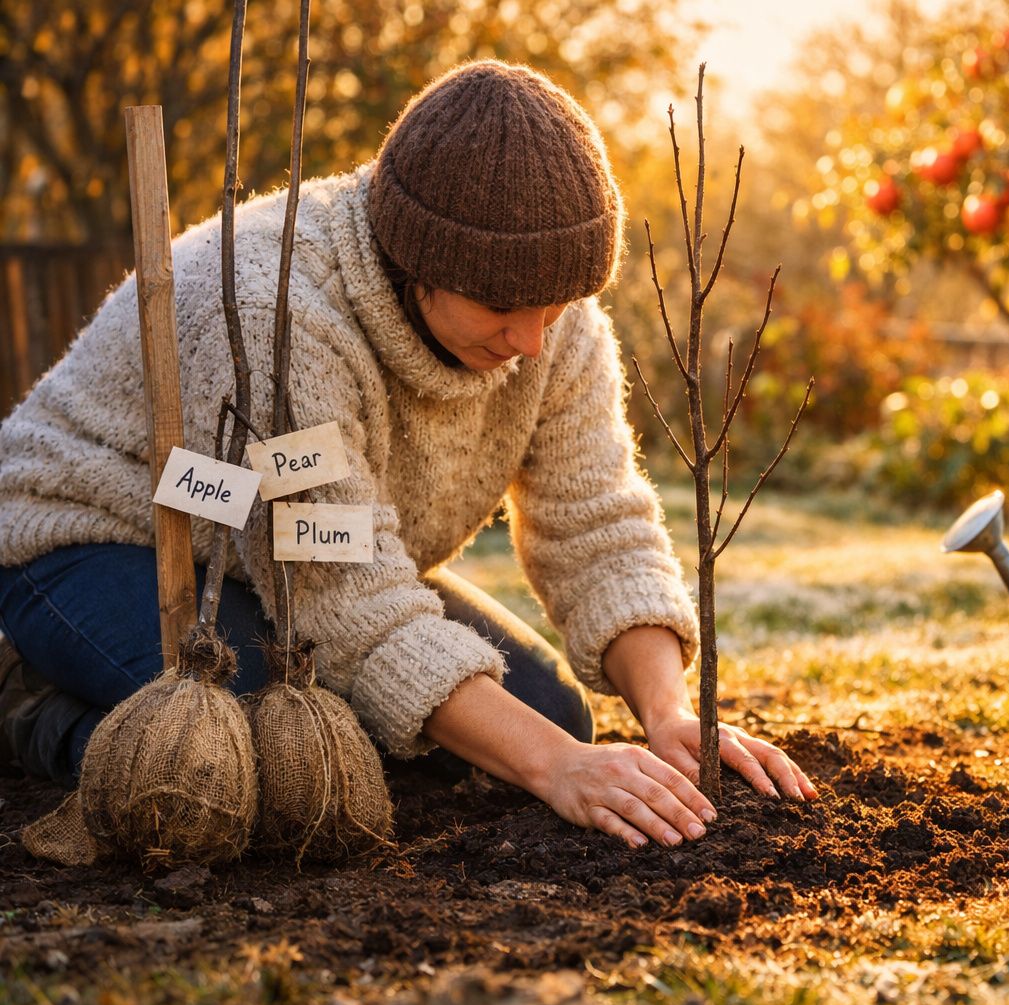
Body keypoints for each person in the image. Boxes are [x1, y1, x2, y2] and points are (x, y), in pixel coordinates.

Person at [0, 60, 816, 849]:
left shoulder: (551, 328)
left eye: (557, 307)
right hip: (94, 538)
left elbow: (597, 526)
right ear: (416, 260)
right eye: (502, 307)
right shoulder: (275, 308)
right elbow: (348, 604)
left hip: (301, 556)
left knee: (553, 718)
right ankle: (36, 708)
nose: (532, 342)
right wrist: (557, 771)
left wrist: (666, 715)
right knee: (267, 757)